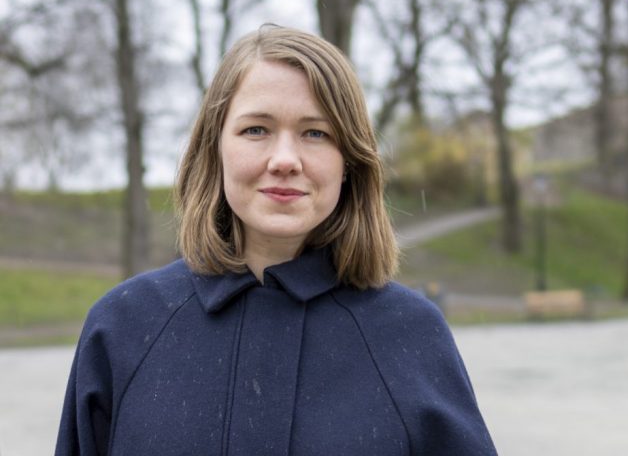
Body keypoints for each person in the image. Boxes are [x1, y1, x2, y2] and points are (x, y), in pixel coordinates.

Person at [55, 25, 497, 456]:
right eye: (256, 130)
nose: (285, 160)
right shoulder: (124, 326)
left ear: (349, 161)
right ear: (215, 149)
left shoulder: (410, 334)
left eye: (315, 133)